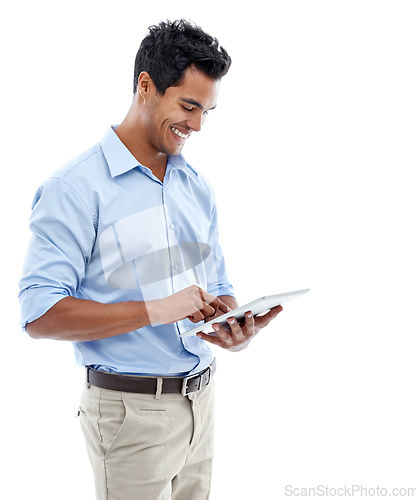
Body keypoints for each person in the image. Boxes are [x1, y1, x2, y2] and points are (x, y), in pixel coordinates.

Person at [18, 19, 282, 500]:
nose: (198, 125)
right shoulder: (75, 189)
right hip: (129, 415)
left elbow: (216, 284)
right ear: (145, 85)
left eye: (207, 110)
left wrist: (232, 326)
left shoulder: (196, 186)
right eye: (188, 106)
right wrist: (159, 309)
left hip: (201, 404)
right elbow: (38, 314)